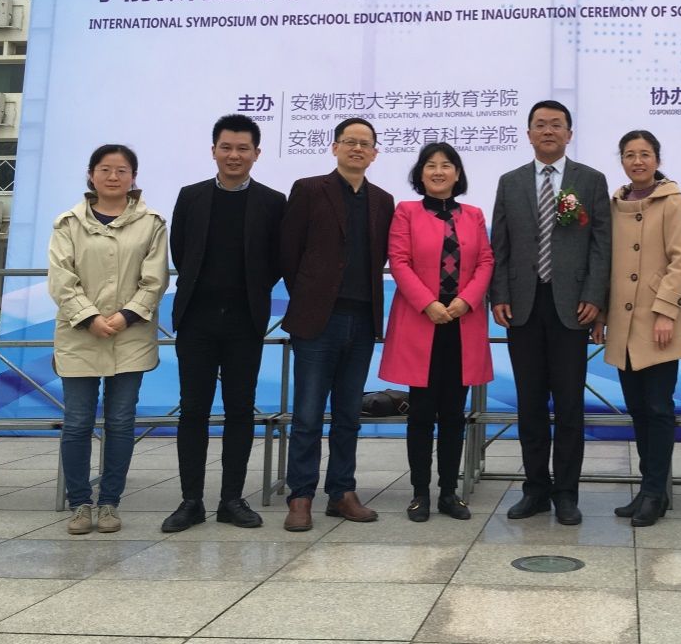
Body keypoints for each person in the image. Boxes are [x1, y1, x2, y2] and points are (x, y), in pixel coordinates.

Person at [160, 115, 286, 533]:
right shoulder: (191, 196)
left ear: (256, 154)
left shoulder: (273, 202)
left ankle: (231, 499)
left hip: (244, 322)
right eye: (226, 147)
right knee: (193, 410)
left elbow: (275, 260)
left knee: (240, 410)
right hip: (196, 320)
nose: (234, 155)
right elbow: (181, 251)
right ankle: (191, 501)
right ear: (213, 150)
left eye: (243, 148)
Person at [490, 99, 612, 525]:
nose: (548, 131)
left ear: (569, 134)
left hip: (572, 307)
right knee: (530, 404)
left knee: (570, 405)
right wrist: (499, 294)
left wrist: (595, 297)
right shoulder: (510, 182)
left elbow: (602, 245)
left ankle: (566, 494)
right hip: (522, 306)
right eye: (540, 125)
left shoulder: (590, 180)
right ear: (528, 134)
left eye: (556, 125)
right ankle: (536, 490)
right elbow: (499, 244)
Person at [280, 117, 395, 530]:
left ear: (375, 153)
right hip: (318, 321)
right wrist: (309, 296)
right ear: (335, 147)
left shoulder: (383, 200)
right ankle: (301, 496)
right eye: (350, 141)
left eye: (366, 143)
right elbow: (288, 251)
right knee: (308, 414)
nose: (357, 148)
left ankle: (342, 492)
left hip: (362, 321)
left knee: (348, 414)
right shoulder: (309, 189)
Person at [48, 144, 169, 536]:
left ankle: (110, 503)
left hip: (130, 334)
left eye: (121, 170)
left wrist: (125, 316)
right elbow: (61, 279)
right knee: (77, 422)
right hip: (79, 334)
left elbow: (155, 279)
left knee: (120, 421)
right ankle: (80, 504)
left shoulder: (151, 223)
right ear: (91, 174)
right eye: (105, 169)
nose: (113, 176)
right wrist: (89, 318)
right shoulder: (68, 223)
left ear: (133, 177)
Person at [379, 142, 494, 522]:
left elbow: (486, 261)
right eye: (431, 165)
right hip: (422, 322)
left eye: (447, 165)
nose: (439, 171)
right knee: (421, 413)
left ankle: (448, 493)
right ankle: (419, 494)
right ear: (421, 173)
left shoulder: (473, 215)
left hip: (462, 322)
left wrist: (467, 300)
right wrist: (428, 303)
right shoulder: (406, 212)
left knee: (453, 414)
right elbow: (399, 261)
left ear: (457, 174)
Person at [592, 130, 681, 527]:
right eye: (630, 155)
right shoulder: (613, 204)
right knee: (637, 410)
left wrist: (666, 312)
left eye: (645, 154)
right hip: (622, 323)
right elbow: (603, 261)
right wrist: (601, 315)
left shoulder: (672, 200)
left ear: (657, 159)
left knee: (659, 409)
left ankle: (655, 492)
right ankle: (648, 490)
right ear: (622, 161)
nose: (638, 161)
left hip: (658, 323)